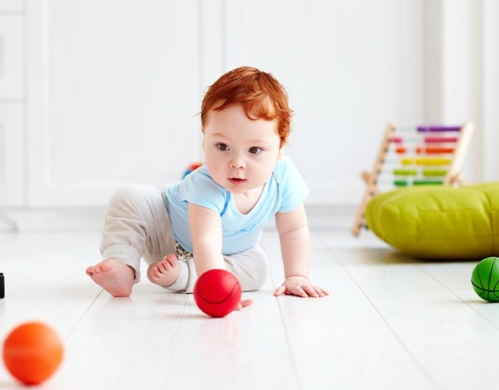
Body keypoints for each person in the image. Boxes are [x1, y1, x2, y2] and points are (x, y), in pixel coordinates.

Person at [86, 66, 329, 308]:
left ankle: (182, 275)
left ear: (281, 146)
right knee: (130, 197)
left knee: (257, 269)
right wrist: (218, 289)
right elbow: (206, 241)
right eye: (222, 147)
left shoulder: (283, 177)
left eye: (254, 150)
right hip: (164, 232)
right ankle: (122, 266)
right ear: (205, 138)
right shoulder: (206, 183)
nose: (236, 163)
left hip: (225, 256)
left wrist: (297, 275)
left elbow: (293, 229)